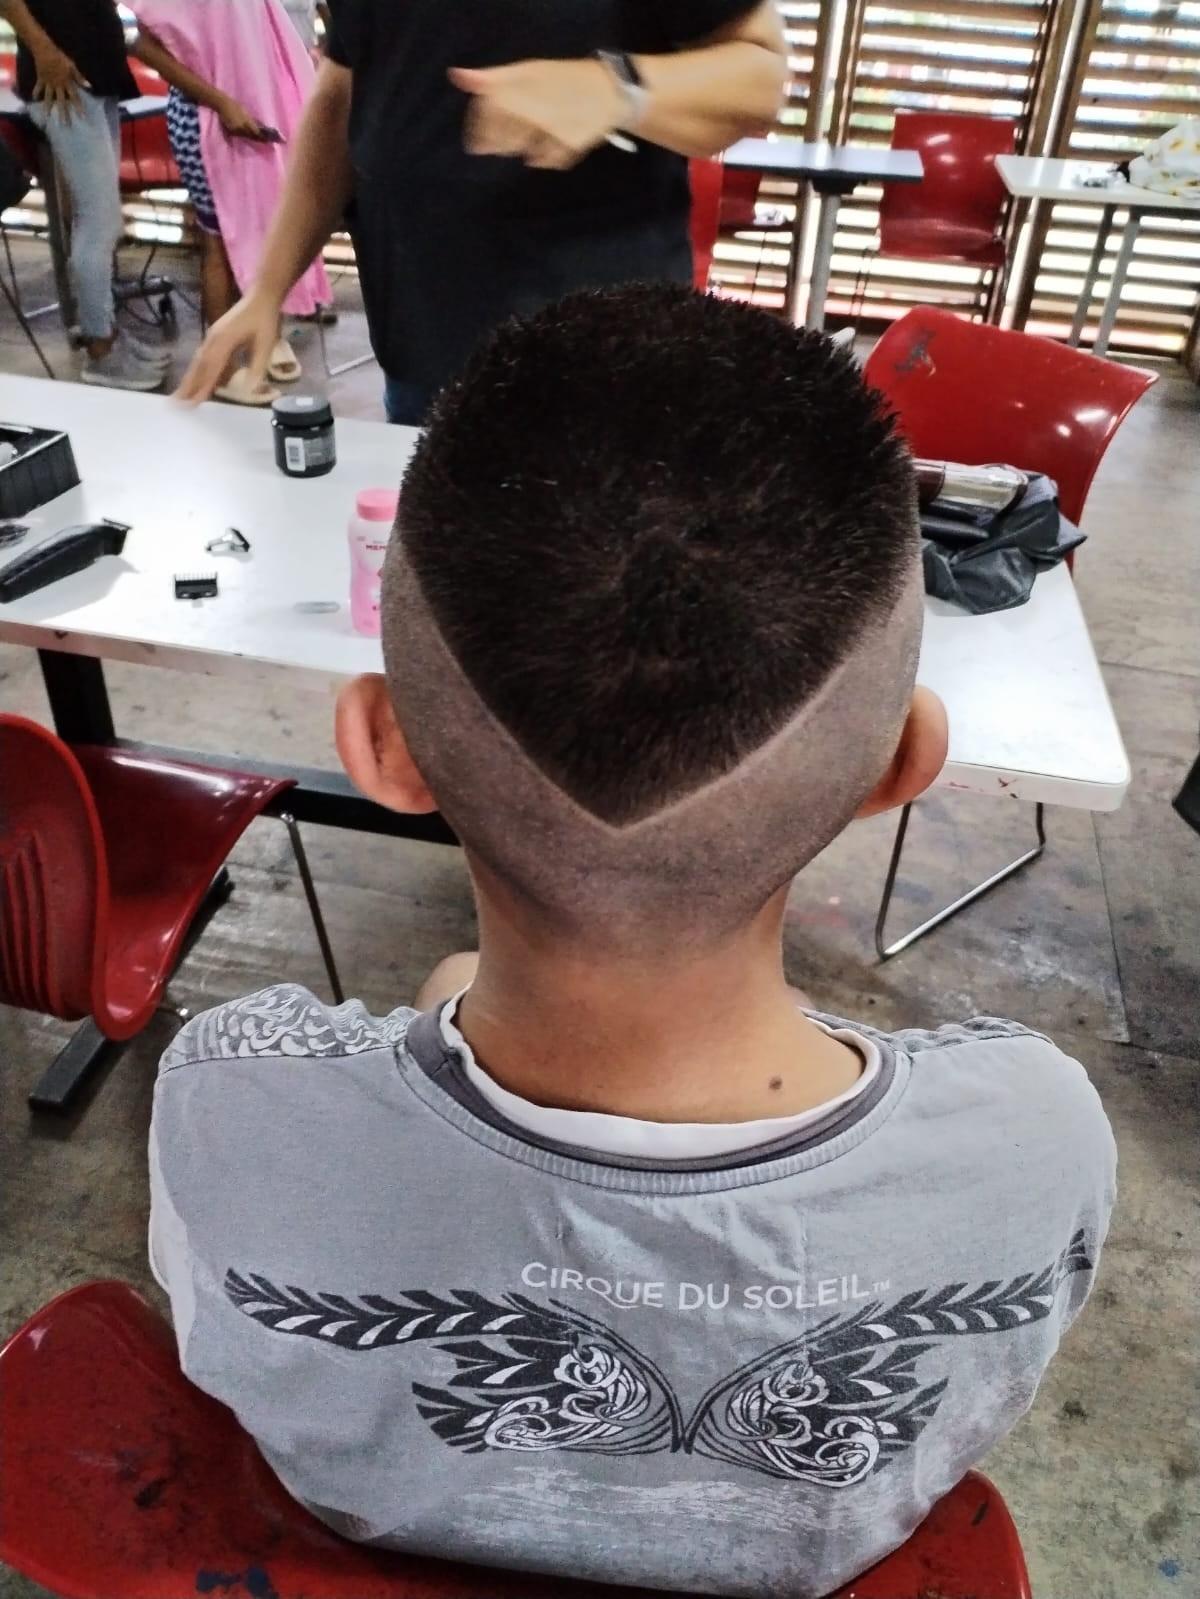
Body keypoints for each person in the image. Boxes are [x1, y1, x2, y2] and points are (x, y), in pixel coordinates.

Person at [150, 286, 1115, 1597]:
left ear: (381, 747)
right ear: (904, 763)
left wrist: (441, 1010)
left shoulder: (230, 1099)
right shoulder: (1034, 1140)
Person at [176, 0, 789, 423]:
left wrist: (615, 88)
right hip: (422, 349)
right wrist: (268, 288)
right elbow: (342, 92)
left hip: (600, 365)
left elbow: (760, 78)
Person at [129, 0, 331, 405]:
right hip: (208, 116)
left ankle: (261, 345)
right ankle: (221, 371)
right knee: (219, 243)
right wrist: (221, 103)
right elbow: (142, 45)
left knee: (267, 231)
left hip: (255, 108)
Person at [1, 0, 172, 389]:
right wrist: (45, 52)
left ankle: (106, 331)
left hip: (92, 74)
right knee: (99, 222)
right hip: (63, 80)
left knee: (100, 221)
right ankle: (101, 351)